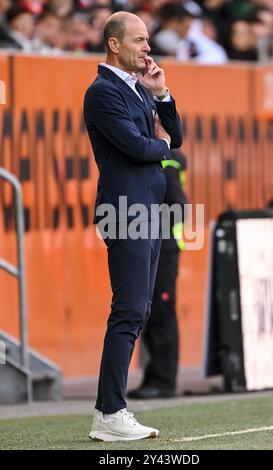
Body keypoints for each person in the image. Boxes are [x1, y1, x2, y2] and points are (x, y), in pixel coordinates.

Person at [84, 11, 182, 442]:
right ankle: (110, 411)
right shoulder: (102, 92)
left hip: (147, 208)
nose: (147, 47)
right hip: (125, 210)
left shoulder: (139, 88)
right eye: (139, 40)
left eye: (148, 39)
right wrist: (159, 145)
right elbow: (140, 147)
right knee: (128, 309)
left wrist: (161, 94)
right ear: (114, 44)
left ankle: (111, 409)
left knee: (139, 309)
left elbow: (173, 137)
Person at [128, 148, 188, 399]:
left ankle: (163, 380)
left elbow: (177, 205)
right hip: (159, 246)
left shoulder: (166, 158)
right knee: (152, 314)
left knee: (161, 313)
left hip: (164, 249)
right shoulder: (160, 155)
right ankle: (155, 377)